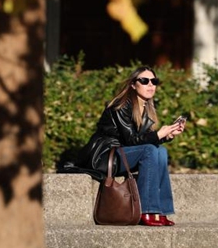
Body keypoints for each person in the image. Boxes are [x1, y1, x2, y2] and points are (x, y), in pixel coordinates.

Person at [73, 66, 185, 226]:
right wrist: (158, 135)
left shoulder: (146, 107)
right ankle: (146, 210)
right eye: (144, 81)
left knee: (161, 151)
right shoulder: (121, 106)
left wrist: (166, 136)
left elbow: (141, 141)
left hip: (126, 153)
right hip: (107, 156)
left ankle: (159, 211)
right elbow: (131, 140)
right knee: (150, 150)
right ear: (133, 84)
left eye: (154, 81)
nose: (150, 85)